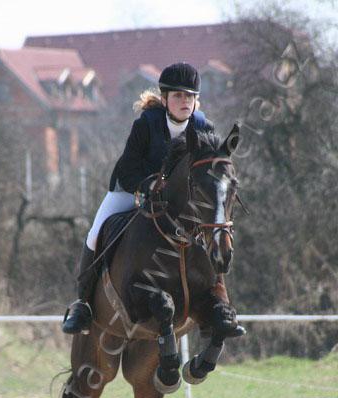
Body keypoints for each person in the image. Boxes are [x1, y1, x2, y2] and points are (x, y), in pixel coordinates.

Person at [62, 62, 240, 337]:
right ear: (165, 99)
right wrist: (148, 184)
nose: (185, 101)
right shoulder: (147, 124)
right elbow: (128, 168)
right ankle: (83, 304)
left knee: (210, 229)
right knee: (96, 232)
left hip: (176, 200)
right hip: (131, 189)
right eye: (178, 95)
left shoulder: (204, 126)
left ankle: (219, 304)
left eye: (190, 96)